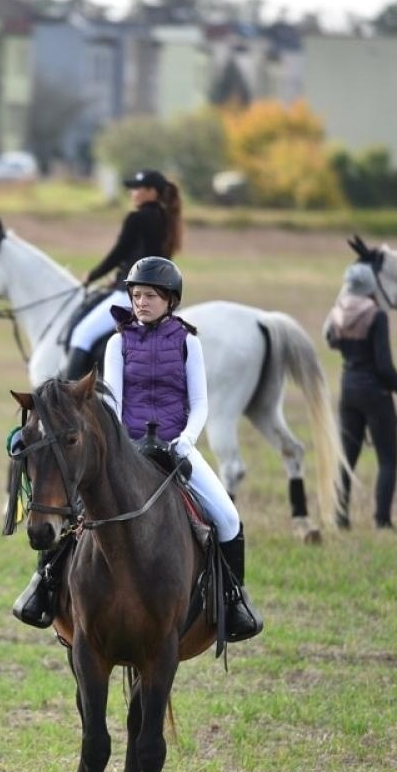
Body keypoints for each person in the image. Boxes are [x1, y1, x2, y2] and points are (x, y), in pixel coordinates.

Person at [14, 257, 261, 642]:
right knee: (68, 512)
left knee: (228, 519)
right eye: (136, 295)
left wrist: (187, 439)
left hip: (178, 444)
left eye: (149, 296)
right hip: (127, 448)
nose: (141, 302)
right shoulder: (117, 342)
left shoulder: (188, 343)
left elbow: (200, 403)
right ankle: (43, 585)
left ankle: (234, 600)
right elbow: (113, 402)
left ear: (170, 300)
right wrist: (119, 444)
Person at [323, 262, 397, 530]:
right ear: (370, 286)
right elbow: (384, 366)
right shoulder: (377, 316)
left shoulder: (338, 312)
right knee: (387, 459)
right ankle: (382, 520)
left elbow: (329, 339)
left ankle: (340, 516)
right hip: (375, 392)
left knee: (348, 457)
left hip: (349, 389)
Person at [61, 169, 184, 381]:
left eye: (138, 188)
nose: (132, 193)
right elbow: (147, 257)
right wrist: (119, 277)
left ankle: (66, 396)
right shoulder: (168, 219)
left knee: (82, 333)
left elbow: (119, 252)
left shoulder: (137, 218)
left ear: (152, 192)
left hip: (134, 295)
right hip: (159, 294)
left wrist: (92, 275)